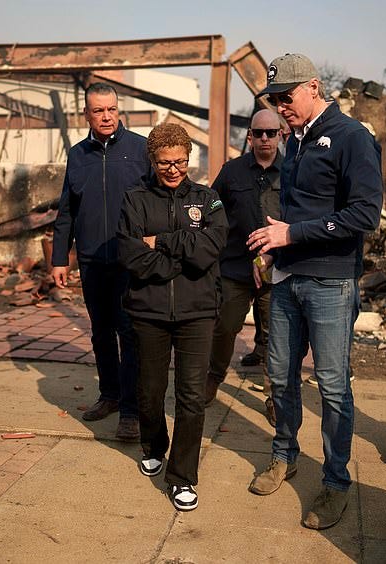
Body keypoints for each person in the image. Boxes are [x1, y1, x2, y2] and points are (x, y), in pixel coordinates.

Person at [246, 53, 383, 530]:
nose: (281, 106)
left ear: (314, 87)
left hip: (329, 281)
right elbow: (289, 213)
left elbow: (364, 214)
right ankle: (284, 456)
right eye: (275, 99)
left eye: (287, 96)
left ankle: (336, 482)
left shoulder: (352, 137)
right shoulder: (296, 142)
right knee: (280, 377)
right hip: (287, 277)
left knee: (331, 386)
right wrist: (273, 250)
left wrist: (292, 235)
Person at [117, 123, 228, 511]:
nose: (173, 169)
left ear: (188, 157)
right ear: (153, 160)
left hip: (197, 313)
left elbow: (210, 248)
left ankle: (182, 477)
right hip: (149, 311)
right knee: (148, 390)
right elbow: (130, 255)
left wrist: (163, 242)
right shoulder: (134, 199)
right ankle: (153, 445)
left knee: (191, 396)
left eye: (180, 160)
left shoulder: (208, 199)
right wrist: (179, 261)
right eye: (165, 162)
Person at [51, 83, 151, 441]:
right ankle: (108, 395)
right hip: (92, 260)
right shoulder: (77, 155)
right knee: (100, 332)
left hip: (129, 261)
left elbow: (157, 202)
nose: (106, 116)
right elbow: (66, 211)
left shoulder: (141, 150)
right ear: (87, 114)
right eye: (98, 111)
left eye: (111, 109)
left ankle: (130, 410)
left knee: (129, 333)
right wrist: (60, 258)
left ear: (118, 109)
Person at [205, 109, 282, 427]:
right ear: (250, 135)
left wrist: (276, 253)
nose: (265, 138)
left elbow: (301, 216)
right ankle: (212, 378)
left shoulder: (293, 172)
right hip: (236, 266)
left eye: (271, 133)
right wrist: (216, 228)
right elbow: (212, 202)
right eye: (259, 133)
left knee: (278, 335)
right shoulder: (232, 171)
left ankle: (276, 396)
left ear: (281, 135)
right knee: (225, 327)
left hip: (277, 268)